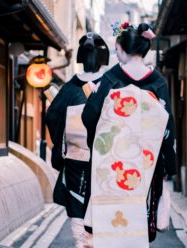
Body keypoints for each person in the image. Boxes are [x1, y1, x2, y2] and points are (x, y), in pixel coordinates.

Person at [81, 22, 176, 247]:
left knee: (109, 227)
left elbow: (89, 118)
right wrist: (168, 166)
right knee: (139, 226)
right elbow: (167, 128)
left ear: (121, 50)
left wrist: (95, 101)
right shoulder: (158, 82)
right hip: (146, 167)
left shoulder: (110, 79)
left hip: (111, 165)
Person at [46, 32, 109, 248]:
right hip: (104, 158)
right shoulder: (111, 84)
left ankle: (82, 241)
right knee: (99, 199)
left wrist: (63, 139)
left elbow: (52, 116)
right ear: (104, 57)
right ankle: (94, 240)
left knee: (76, 200)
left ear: (80, 58)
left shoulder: (70, 88)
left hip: (75, 157)